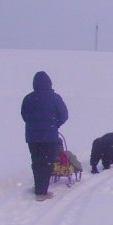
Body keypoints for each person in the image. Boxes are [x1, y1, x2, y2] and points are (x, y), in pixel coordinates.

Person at [21, 71, 69, 201]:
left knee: (36, 161)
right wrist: (55, 124)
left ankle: (39, 186)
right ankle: (42, 192)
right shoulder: (55, 98)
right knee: (47, 163)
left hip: (32, 137)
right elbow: (64, 115)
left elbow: (24, 115)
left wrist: (34, 124)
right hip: (49, 136)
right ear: (49, 83)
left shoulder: (28, 98)